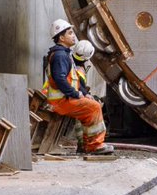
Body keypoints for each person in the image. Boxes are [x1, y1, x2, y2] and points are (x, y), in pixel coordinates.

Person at [42, 19, 112, 154]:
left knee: (90, 105)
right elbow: (60, 79)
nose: (73, 35)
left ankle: (86, 145)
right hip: (61, 101)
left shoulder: (64, 54)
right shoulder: (61, 55)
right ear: (61, 38)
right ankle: (95, 145)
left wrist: (84, 93)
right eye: (69, 33)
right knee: (94, 107)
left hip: (64, 99)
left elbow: (73, 80)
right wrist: (75, 94)